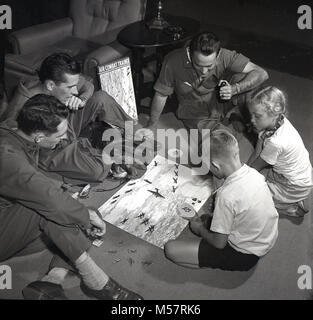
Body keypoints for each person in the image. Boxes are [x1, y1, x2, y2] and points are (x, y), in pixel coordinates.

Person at [0, 95, 143, 300]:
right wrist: (84, 215)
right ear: (39, 136)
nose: (64, 137)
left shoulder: (16, 130)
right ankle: (97, 281)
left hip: (8, 217)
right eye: (59, 134)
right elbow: (45, 196)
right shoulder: (7, 156)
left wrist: (81, 214)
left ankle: (52, 280)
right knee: (53, 208)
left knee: (68, 213)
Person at [5, 53, 140, 182]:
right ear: (50, 85)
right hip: (47, 146)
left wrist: (82, 99)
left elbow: (88, 85)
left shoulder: (60, 79)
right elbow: (15, 144)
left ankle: (134, 136)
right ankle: (103, 157)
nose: (75, 91)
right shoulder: (21, 106)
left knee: (101, 98)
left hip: (64, 125)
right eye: (70, 87)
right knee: (97, 170)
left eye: (75, 86)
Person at [164, 129, 278, 271]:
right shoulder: (254, 173)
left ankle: (211, 260)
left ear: (215, 165)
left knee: (171, 249)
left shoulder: (226, 196)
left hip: (244, 254)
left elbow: (219, 244)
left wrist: (200, 230)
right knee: (209, 219)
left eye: (207, 166)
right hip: (264, 239)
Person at [137, 31, 269, 138]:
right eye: (198, 65)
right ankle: (233, 120)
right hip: (195, 114)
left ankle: (260, 131)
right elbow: (161, 94)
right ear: (189, 54)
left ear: (218, 55)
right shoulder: (172, 61)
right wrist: (151, 125)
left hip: (221, 102)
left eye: (209, 66)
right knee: (224, 143)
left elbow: (261, 73)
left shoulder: (225, 55)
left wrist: (235, 89)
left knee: (250, 84)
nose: (204, 71)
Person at [247, 86, 313, 217]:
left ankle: (291, 208)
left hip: (293, 185)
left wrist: (237, 179)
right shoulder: (278, 121)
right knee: (261, 178)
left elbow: (255, 167)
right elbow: (258, 151)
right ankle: (295, 198)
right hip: (302, 174)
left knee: (253, 198)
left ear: (274, 113)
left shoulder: (276, 142)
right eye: (251, 115)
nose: (252, 120)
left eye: (257, 116)